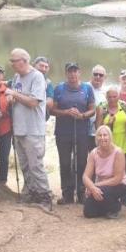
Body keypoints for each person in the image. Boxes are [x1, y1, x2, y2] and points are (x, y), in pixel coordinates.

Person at [8, 48, 53, 210]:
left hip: (33, 129)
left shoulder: (37, 77)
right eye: (11, 61)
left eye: (14, 61)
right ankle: (31, 192)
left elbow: (34, 102)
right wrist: (11, 97)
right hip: (19, 128)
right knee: (25, 165)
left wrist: (14, 93)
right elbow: (17, 96)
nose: (11, 64)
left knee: (36, 166)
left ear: (24, 61)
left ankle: (45, 197)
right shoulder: (16, 77)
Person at [51, 62, 96, 204]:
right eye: (70, 71)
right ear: (66, 73)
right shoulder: (59, 88)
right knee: (64, 163)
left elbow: (93, 109)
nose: (72, 74)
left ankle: (82, 192)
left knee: (81, 162)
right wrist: (66, 112)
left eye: (75, 71)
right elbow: (52, 110)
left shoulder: (87, 88)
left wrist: (82, 115)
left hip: (82, 131)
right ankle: (67, 193)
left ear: (79, 73)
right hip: (63, 132)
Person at [96, 85, 126, 207]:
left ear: (118, 96)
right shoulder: (102, 108)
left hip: (123, 142)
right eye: (109, 97)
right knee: (109, 170)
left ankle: (125, 194)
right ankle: (112, 194)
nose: (112, 99)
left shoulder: (124, 106)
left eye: (114, 96)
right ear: (106, 97)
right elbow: (98, 128)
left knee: (123, 169)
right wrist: (109, 125)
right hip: (108, 144)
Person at [82, 126, 126, 219]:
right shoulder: (93, 153)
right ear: (96, 138)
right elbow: (85, 176)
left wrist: (95, 186)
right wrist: (92, 187)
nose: (102, 138)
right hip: (101, 186)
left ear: (110, 137)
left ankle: (115, 207)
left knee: (103, 192)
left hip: (119, 184)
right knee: (88, 212)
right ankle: (106, 208)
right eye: (100, 135)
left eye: (105, 135)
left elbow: (117, 179)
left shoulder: (118, 152)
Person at [88, 64, 108, 150]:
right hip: (83, 131)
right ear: (91, 75)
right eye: (95, 74)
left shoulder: (106, 92)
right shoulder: (84, 87)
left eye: (101, 75)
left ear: (105, 77)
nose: (98, 77)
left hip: (98, 133)